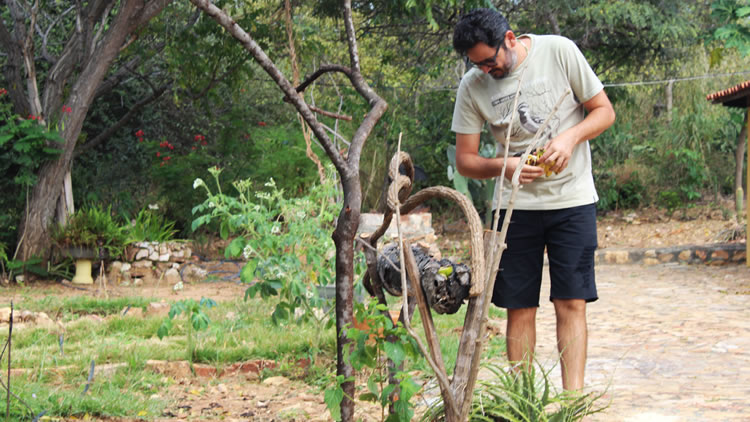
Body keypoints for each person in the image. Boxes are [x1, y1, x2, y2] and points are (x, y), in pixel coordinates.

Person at [451, 8, 615, 391]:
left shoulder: (559, 52)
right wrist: (505, 166)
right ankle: (522, 400)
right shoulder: (472, 85)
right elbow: (466, 160)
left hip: (572, 200)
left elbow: (604, 112)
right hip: (514, 209)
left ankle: (573, 401)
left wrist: (569, 138)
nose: (486, 71)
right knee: (518, 307)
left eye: (490, 61)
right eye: (478, 65)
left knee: (571, 302)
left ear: (509, 39)